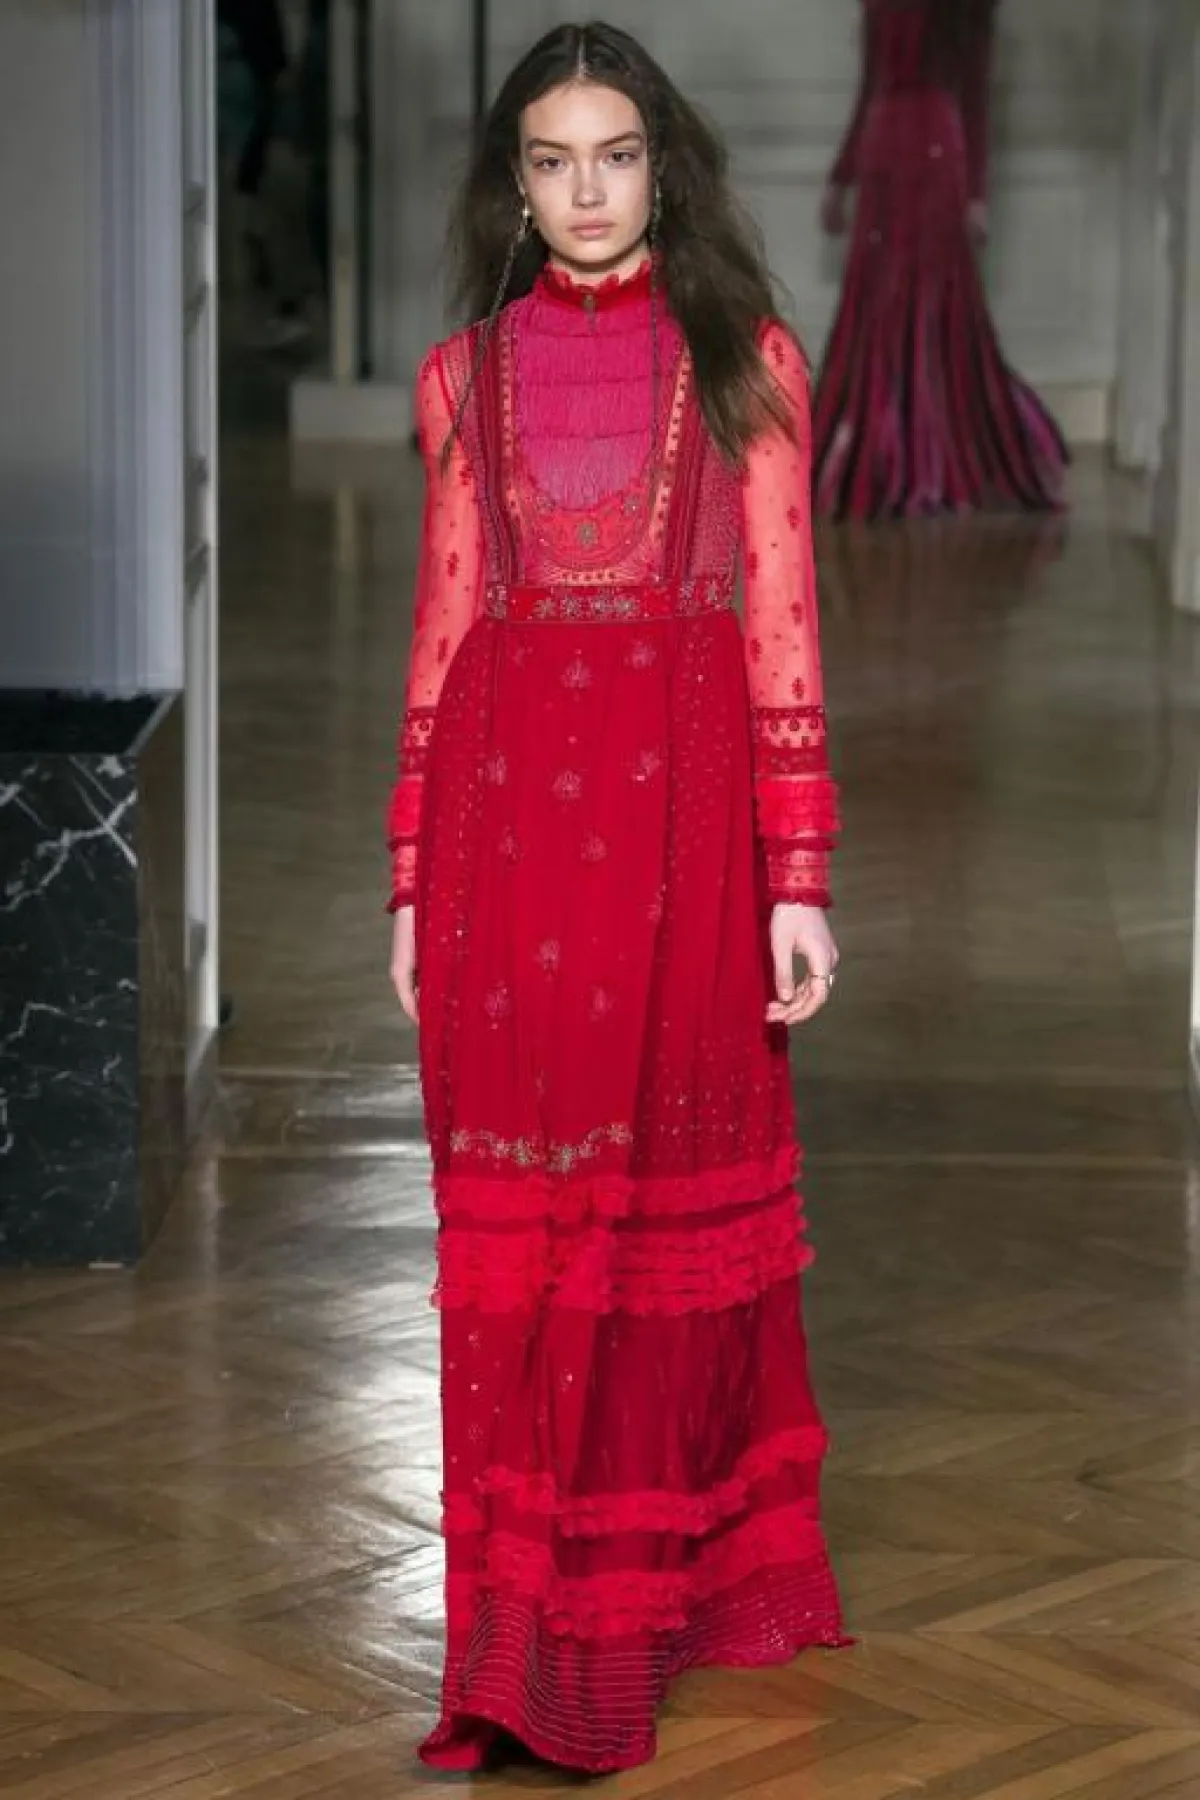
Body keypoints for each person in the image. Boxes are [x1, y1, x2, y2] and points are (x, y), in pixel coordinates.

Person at [385, 20, 847, 1774]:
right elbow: (444, 632)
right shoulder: (460, 380)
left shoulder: (748, 367)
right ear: (515, 185)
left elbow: (783, 626)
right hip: (503, 858)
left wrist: (799, 876)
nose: (588, 192)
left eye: (619, 156)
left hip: (684, 852)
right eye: (554, 161)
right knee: (520, 1249)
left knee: (647, 1229)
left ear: (667, 168)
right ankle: (514, 1648)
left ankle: (627, 1626)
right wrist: (409, 875)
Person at [815, 0, 1067, 519]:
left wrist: (975, 193)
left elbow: (973, 92)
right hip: (886, 148)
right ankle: (881, 453)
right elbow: (870, 85)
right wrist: (841, 175)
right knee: (880, 303)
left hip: (932, 149)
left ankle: (931, 456)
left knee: (935, 303)